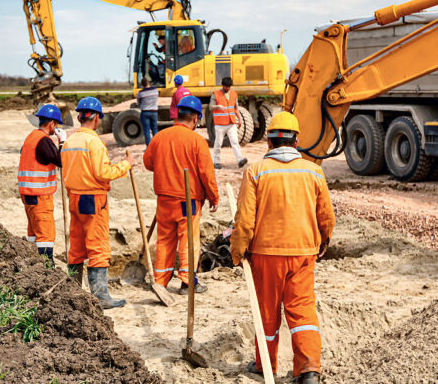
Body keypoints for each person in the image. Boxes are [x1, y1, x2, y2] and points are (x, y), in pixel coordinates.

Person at [230, 112, 335, 384]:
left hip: (266, 254)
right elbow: (326, 216)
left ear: (268, 142)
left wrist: (237, 250)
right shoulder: (313, 171)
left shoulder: (255, 172)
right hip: (303, 253)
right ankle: (309, 369)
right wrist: (323, 241)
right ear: (296, 141)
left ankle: (266, 364)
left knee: (267, 312)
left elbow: (244, 220)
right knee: (302, 311)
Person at [61, 97, 134, 309]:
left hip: (74, 198)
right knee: (98, 245)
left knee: (76, 245)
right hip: (93, 199)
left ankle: (72, 292)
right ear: (96, 118)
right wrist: (125, 165)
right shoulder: (94, 143)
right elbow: (103, 173)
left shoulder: (69, 142)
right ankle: (100, 296)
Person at [143, 95, 219, 294]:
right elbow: (206, 173)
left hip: (164, 199)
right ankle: (187, 282)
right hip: (188, 201)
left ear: (178, 115)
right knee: (188, 240)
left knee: (165, 240)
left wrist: (166, 168)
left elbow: (148, 163)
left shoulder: (160, 137)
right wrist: (214, 197)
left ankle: (160, 282)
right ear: (195, 118)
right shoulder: (196, 141)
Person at [17, 104, 67, 266]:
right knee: (45, 234)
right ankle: (46, 265)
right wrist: (62, 142)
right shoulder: (44, 141)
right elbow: (60, 161)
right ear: (51, 123)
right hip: (40, 195)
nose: (56, 128)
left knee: (33, 231)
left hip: (28, 194)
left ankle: (33, 264)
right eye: (56, 124)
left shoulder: (31, 137)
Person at [210, 77, 248, 169]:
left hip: (231, 123)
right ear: (222, 85)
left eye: (229, 87)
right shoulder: (216, 94)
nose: (227, 88)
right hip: (220, 124)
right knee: (218, 143)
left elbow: (236, 109)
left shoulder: (234, 94)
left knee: (235, 142)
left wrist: (239, 119)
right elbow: (211, 107)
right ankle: (216, 161)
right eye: (226, 86)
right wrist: (218, 107)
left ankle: (240, 160)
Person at [137, 78, 159, 147]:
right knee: (155, 129)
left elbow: (138, 103)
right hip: (154, 112)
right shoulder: (155, 91)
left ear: (142, 84)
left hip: (145, 112)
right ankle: (156, 146)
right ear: (148, 82)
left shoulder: (141, 93)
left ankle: (149, 147)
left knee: (147, 131)